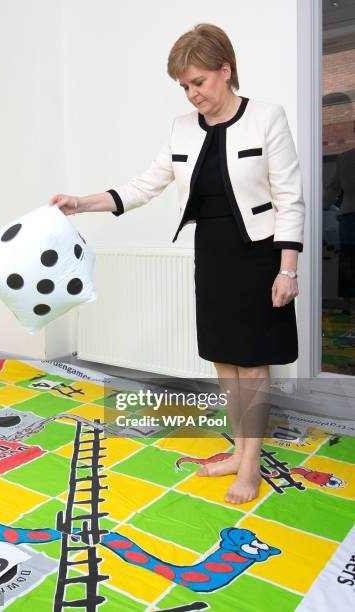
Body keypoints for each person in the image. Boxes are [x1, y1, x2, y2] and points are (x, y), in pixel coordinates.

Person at [50, 23, 305, 505]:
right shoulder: (181, 129)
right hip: (212, 254)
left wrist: (287, 269)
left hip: (258, 255)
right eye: (184, 86)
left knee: (252, 367)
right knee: (224, 361)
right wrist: (81, 202)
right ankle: (237, 451)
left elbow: (290, 199)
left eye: (199, 82)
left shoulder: (267, 118)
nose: (192, 95)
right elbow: (145, 185)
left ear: (225, 71)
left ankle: (249, 465)